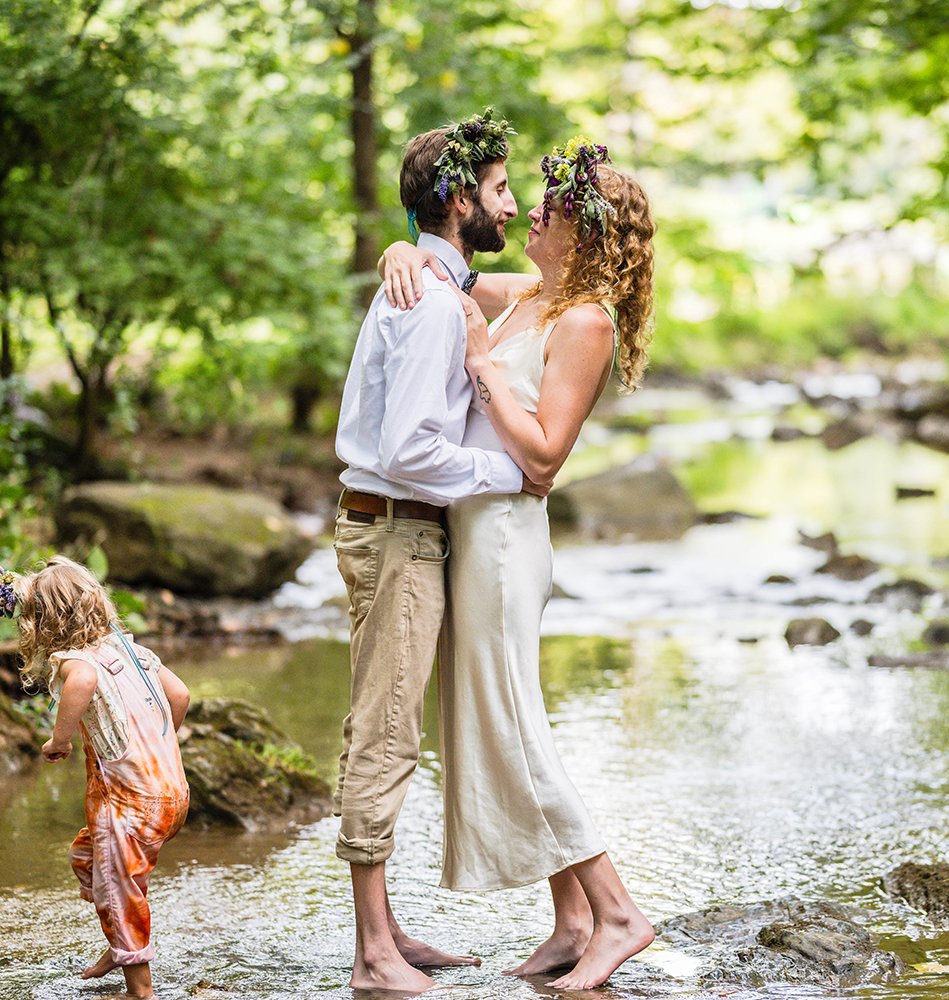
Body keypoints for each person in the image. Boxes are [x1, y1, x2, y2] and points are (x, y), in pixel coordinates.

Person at [379, 136, 656, 990]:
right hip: (474, 529)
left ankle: (618, 913)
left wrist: (477, 362)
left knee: (511, 724)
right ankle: (571, 919)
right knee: (498, 719)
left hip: (505, 535)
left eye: (550, 205)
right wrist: (399, 245)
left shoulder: (586, 321)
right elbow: (441, 270)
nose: (530, 211)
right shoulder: (535, 293)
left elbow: (543, 458)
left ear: (583, 230)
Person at [331, 107, 548, 993]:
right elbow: (414, 448)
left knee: (387, 725)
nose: (512, 206)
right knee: (386, 731)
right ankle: (375, 957)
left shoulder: (433, 280)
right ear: (460, 197)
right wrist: (510, 474)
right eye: (500, 190)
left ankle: (384, 932)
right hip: (397, 530)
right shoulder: (426, 304)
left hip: (396, 530)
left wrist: (405, 244)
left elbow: (534, 296)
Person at [0, 557, 190, 1000]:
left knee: (120, 889)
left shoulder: (75, 660)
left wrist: (59, 740)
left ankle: (141, 991)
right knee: (87, 858)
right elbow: (180, 694)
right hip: (171, 792)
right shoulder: (135, 653)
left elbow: (81, 681)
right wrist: (159, 742)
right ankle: (118, 946)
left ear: (44, 623)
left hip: (131, 801)